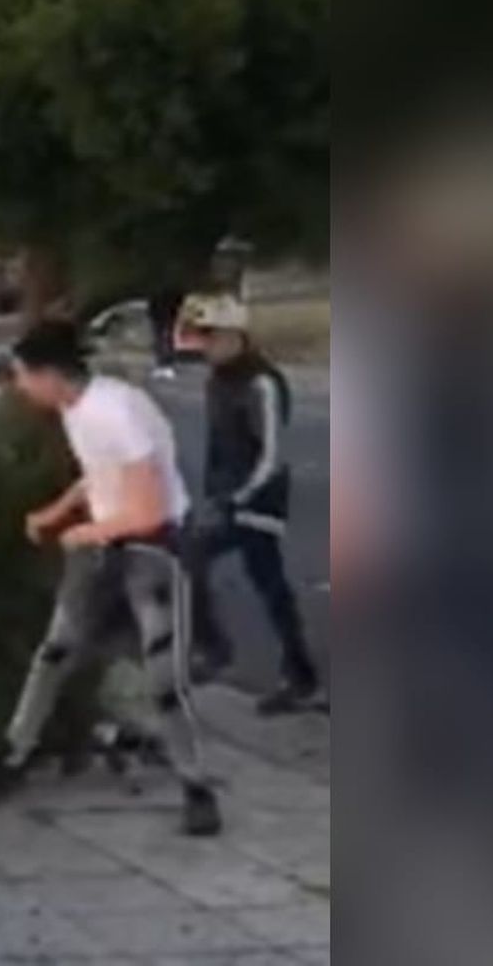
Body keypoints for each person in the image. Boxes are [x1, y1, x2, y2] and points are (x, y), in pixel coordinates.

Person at [0, 320, 221, 837]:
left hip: (152, 550)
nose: (18, 387)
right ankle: (14, 753)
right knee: (56, 650)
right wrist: (57, 511)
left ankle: (197, 788)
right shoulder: (77, 408)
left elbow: (149, 510)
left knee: (163, 678)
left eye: (21, 376)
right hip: (104, 544)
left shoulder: (116, 412)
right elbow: (100, 473)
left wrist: (86, 533)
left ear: (49, 374)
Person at [181, 296, 322, 714]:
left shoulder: (262, 382)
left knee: (201, 561)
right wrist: (211, 494)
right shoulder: (217, 381)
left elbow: (271, 454)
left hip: (259, 498)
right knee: (264, 583)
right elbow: (218, 448)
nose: (205, 347)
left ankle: (220, 650)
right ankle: (299, 674)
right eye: (202, 339)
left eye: (212, 338)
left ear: (236, 336)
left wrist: (238, 498)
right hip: (227, 496)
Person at [147, 290, 187, 380]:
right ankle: (163, 364)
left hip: (165, 313)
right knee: (161, 337)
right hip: (161, 313)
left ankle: (166, 364)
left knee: (166, 337)